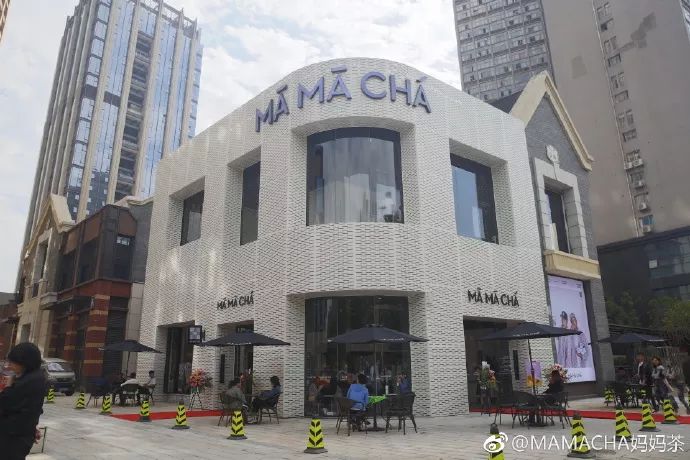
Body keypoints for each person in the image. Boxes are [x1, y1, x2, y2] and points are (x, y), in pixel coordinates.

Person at [0, 343, 47, 460]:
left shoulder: (28, 381)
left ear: (25, 362)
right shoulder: (35, 377)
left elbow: (5, 402)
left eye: (12, 362)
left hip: (12, 437)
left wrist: (9, 385)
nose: (9, 366)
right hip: (19, 434)